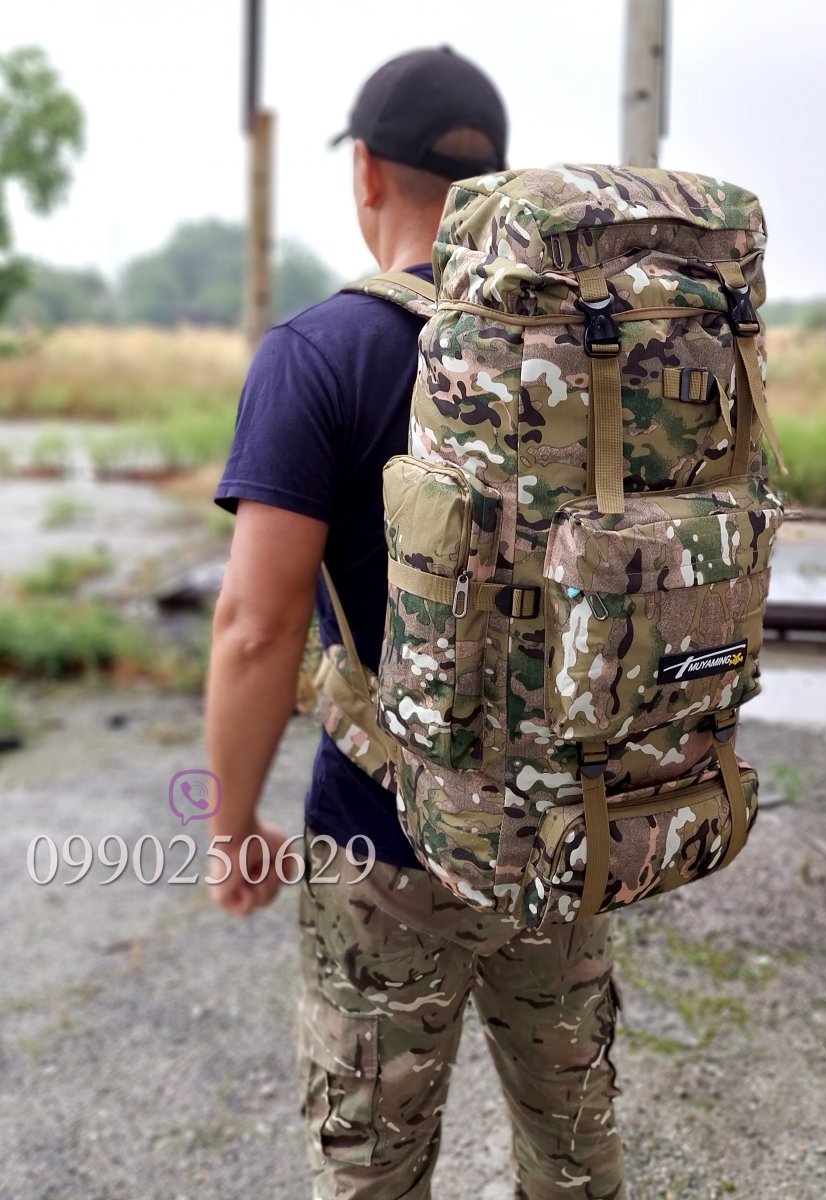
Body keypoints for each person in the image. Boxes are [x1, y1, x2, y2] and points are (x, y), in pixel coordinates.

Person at [205, 46, 626, 1200]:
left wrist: (231, 824)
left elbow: (254, 626)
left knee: (371, 1171)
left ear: (365, 171)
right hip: (560, 830)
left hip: (378, 843)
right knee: (573, 1153)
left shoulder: (318, 354)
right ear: (492, 182)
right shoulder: (585, 355)